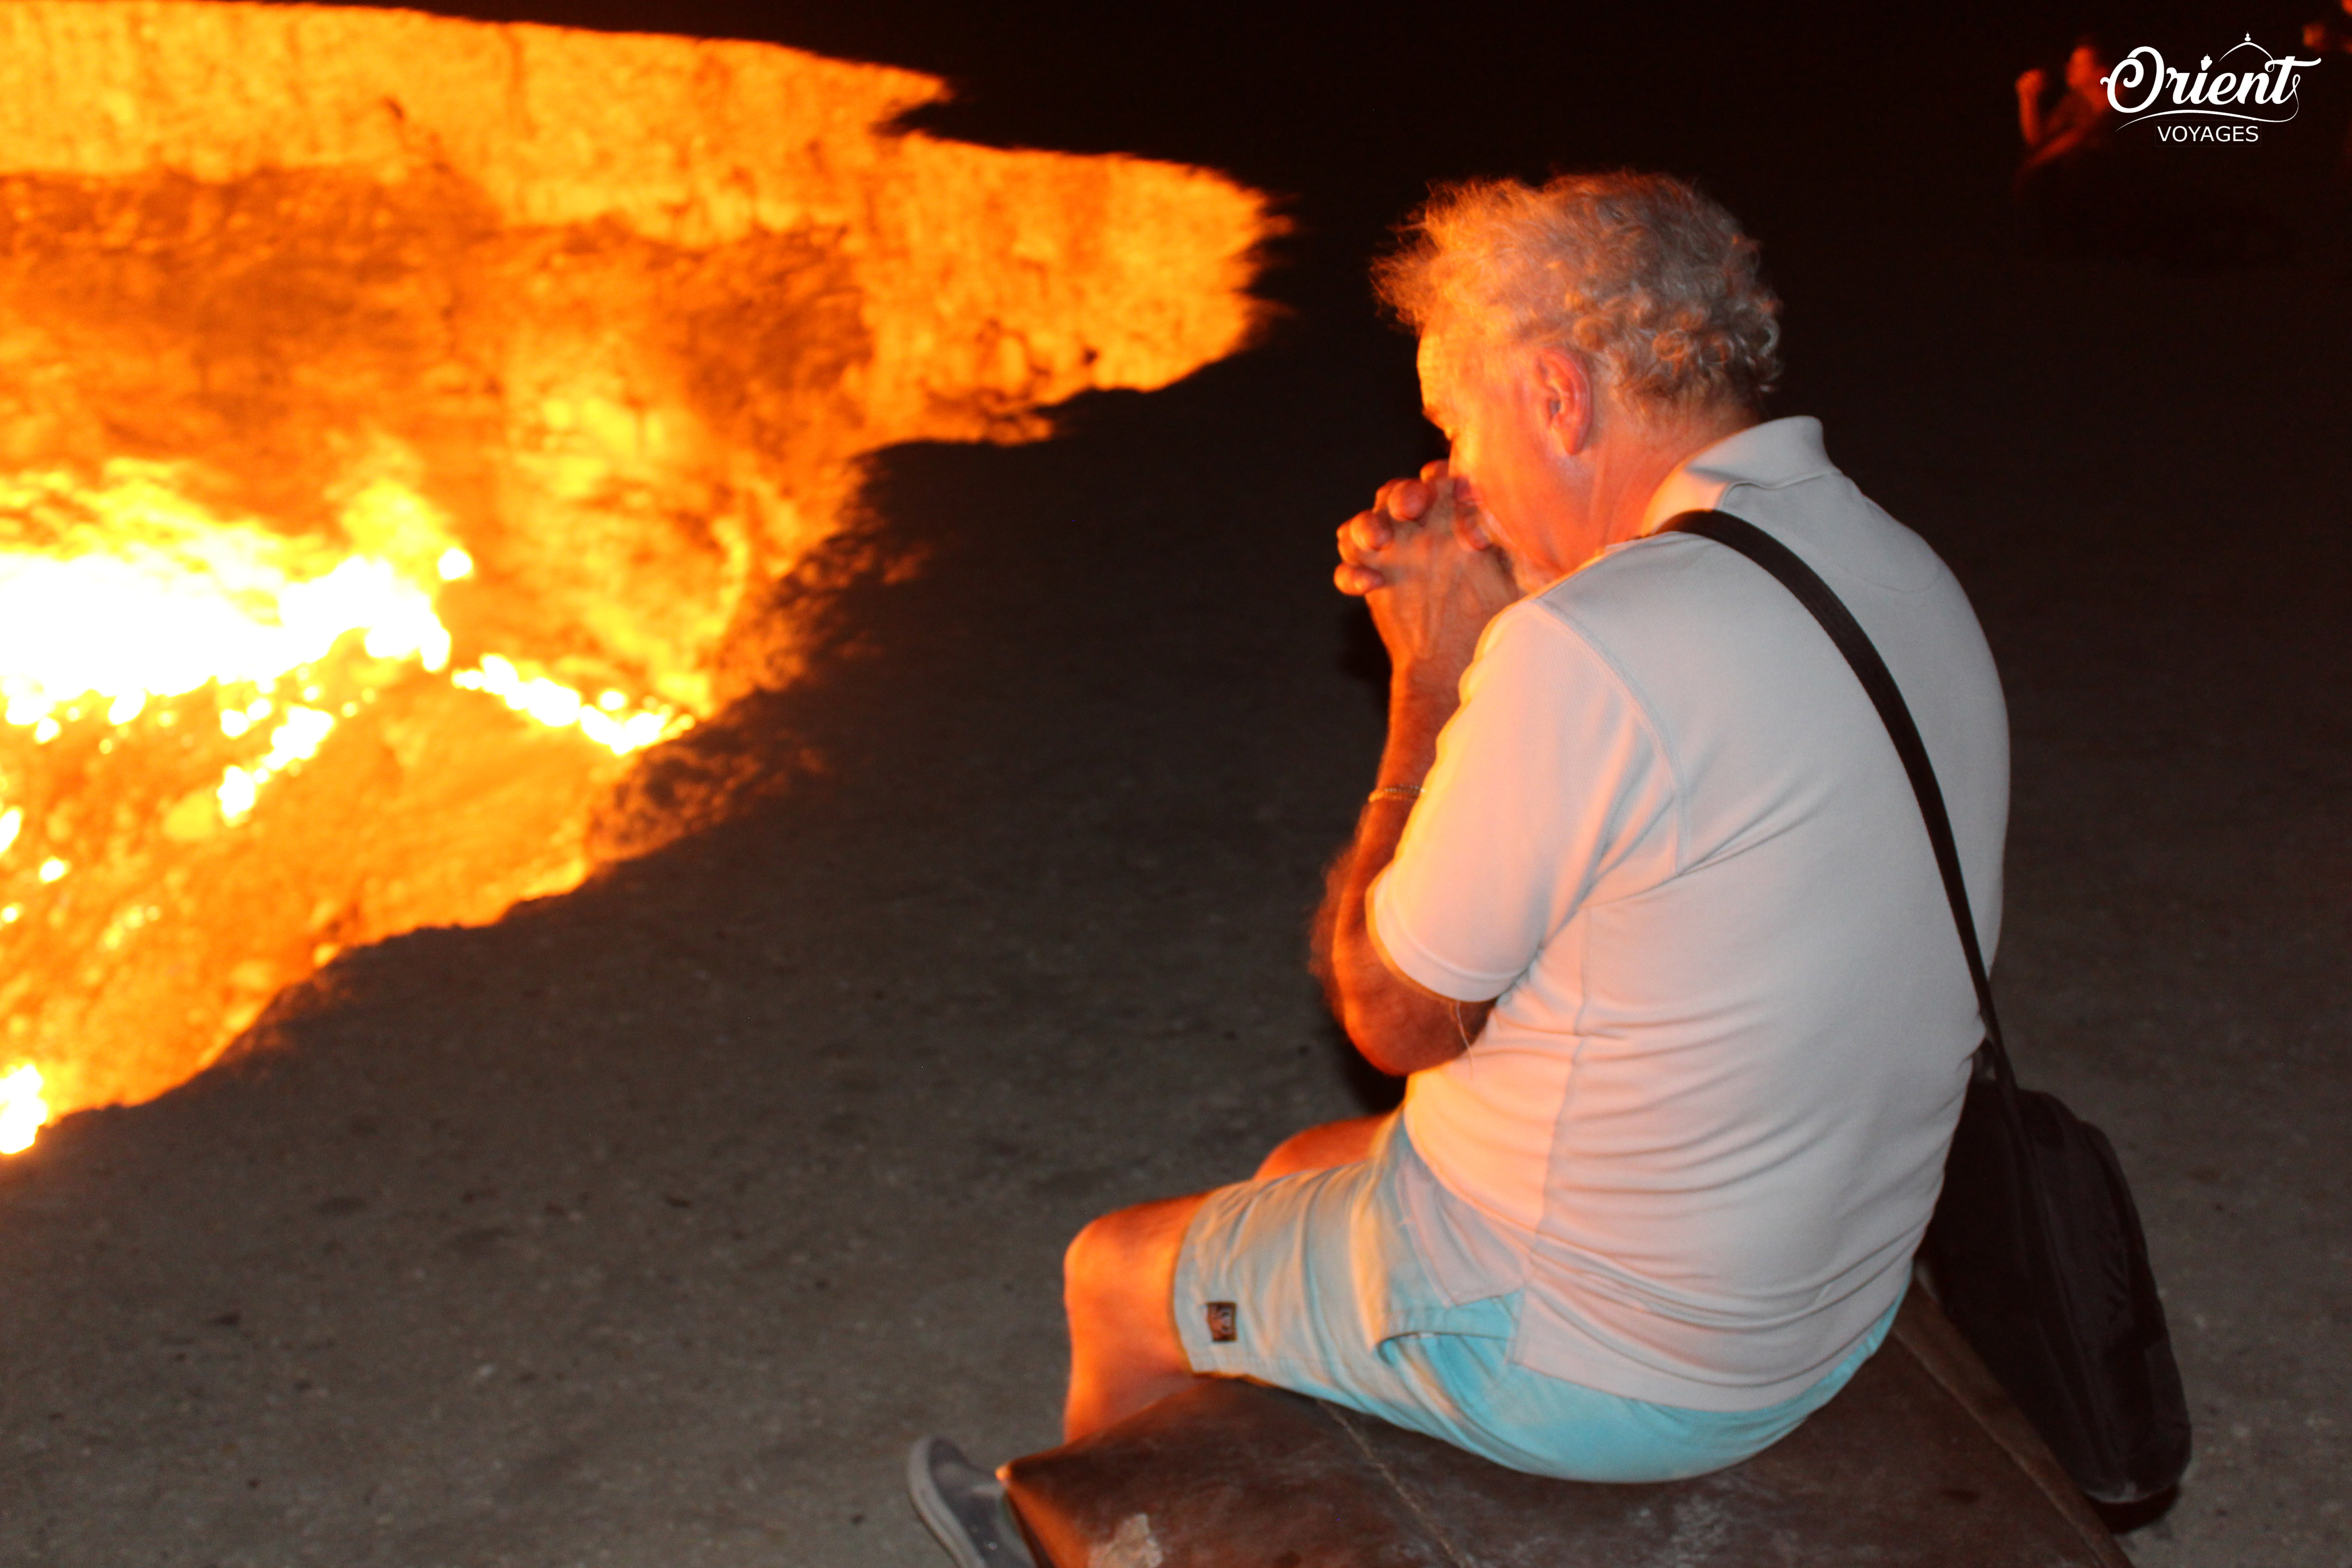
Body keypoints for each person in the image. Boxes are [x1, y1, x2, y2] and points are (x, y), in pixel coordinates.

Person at [910, 172, 2009, 1565]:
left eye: (1458, 422)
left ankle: (1076, 1546)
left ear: (1556, 397)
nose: (1460, 472)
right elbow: (1684, 729)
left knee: (1117, 1272)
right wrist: (1527, 602)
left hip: (1622, 1357)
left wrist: (1437, 668)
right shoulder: (1887, 563)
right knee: (1303, 1166)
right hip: (1824, 1291)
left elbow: (1393, 1013)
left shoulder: (1591, 653)